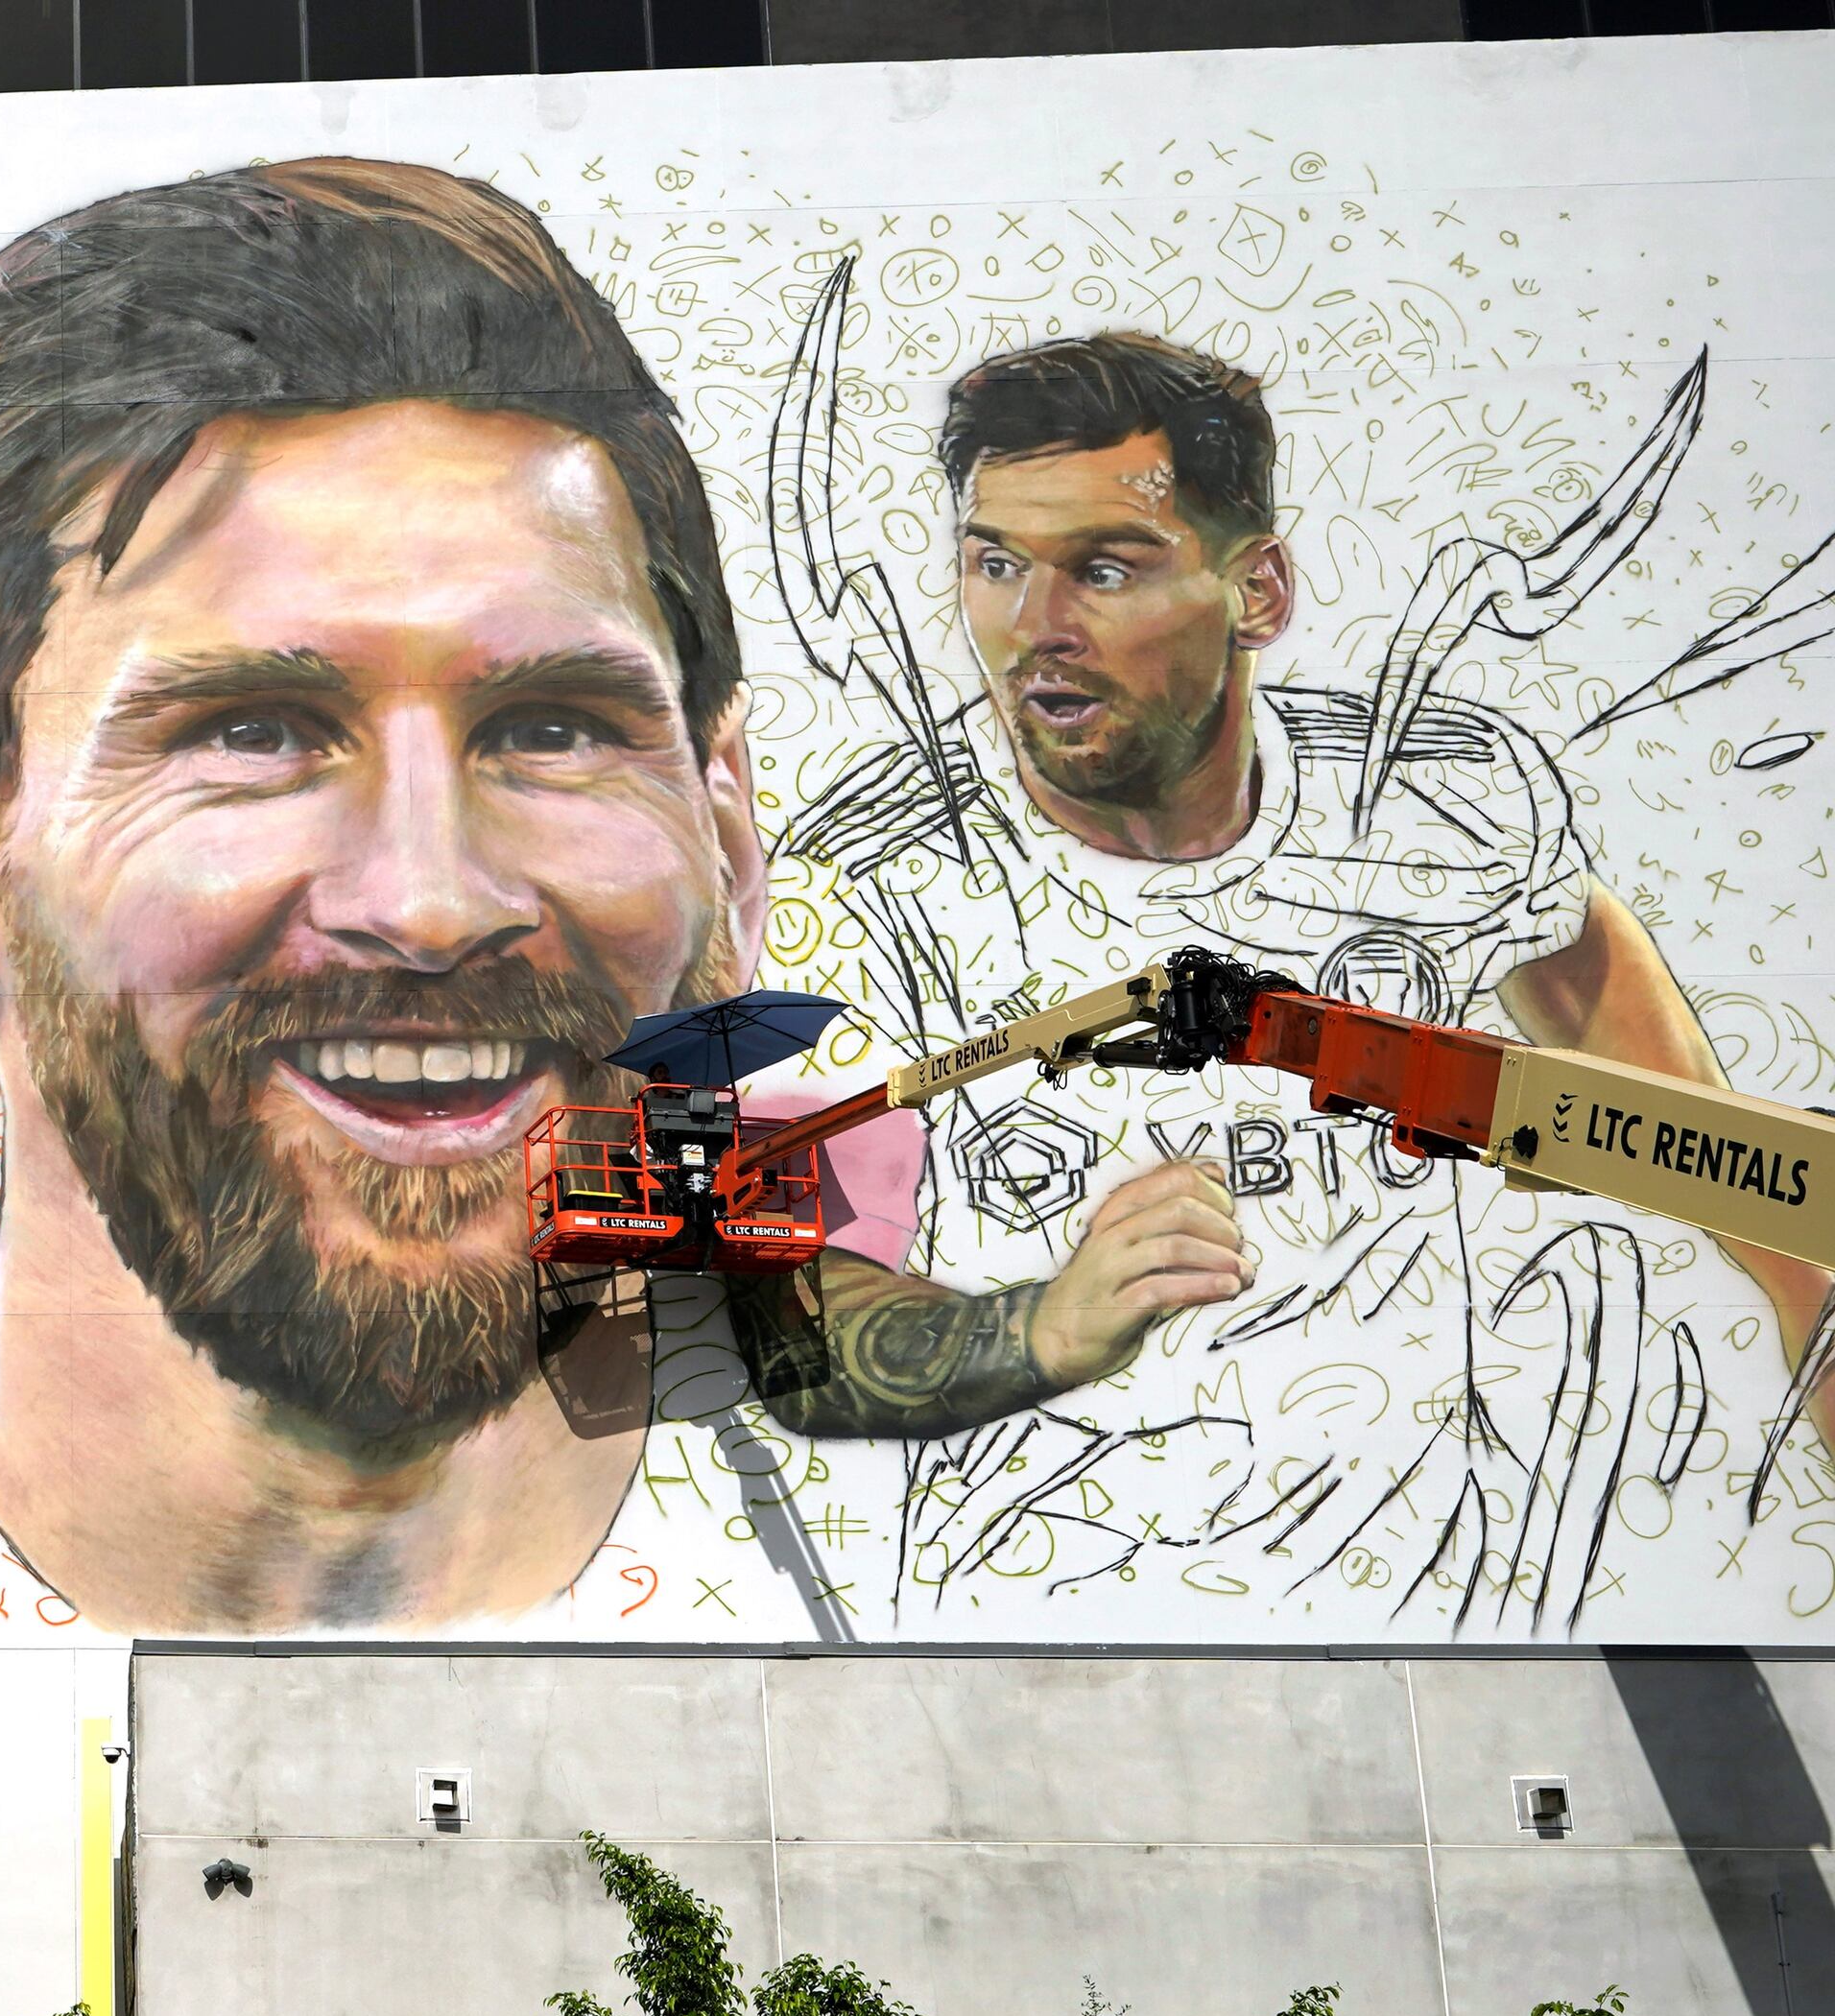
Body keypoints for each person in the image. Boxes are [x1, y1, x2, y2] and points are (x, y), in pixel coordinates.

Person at [0, 164, 1197, 1633]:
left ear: (728, 840)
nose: (431, 904)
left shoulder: (980, 1588)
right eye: (251, 732)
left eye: (553, 728)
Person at [776, 331, 1832, 1466]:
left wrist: (1801, 1283)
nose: (1036, 628)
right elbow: (794, 1334)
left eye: (1105, 569)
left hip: (1480, 1579)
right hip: (1056, 1593)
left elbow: (1652, 1092)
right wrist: (1045, 1324)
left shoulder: (1448, 797)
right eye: (995, 565)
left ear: (1256, 592)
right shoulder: (864, 878)